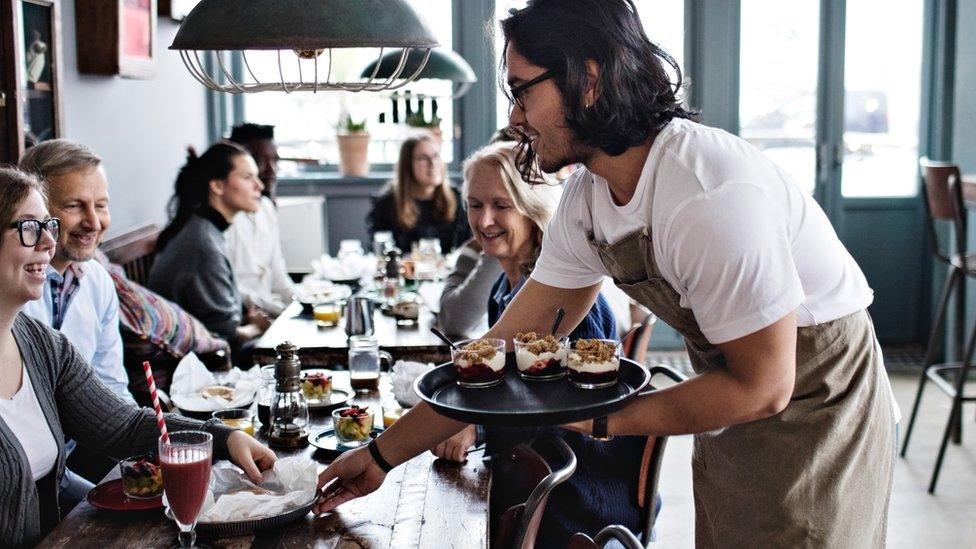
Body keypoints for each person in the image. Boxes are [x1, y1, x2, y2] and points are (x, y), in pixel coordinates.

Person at [314, 2, 897, 548]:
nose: (514, 118)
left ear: (588, 80)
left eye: (522, 93)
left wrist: (598, 420)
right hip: (730, 390)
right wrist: (381, 457)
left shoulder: (704, 193)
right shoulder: (589, 195)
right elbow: (500, 347)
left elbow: (764, 387)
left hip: (818, 402)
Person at [0, 168, 277, 547]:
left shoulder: (42, 344)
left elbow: (123, 426)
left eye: (48, 224)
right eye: (29, 227)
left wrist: (225, 440)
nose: (49, 241)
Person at [431, 141, 645, 546]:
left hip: (577, 495)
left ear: (531, 207)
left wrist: (473, 425)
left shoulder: (566, 298)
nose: (485, 220)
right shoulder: (502, 287)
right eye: (475, 205)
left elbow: (562, 413)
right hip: (529, 472)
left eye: (502, 205)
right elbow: (508, 389)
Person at [18, 140, 136, 510]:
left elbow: (112, 388)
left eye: (101, 205)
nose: (94, 222)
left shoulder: (98, 280)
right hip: (22, 473)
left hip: (64, 464)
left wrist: (138, 456)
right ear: (36, 215)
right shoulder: (13, 287)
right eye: (74, 206)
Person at [148, 143, 270, 364]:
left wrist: (246, 316)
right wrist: (256, 327)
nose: (259, 186)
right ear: (217, 186)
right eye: (247, 177)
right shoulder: (202, 243)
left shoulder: (204, 230)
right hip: (198, 366)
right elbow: (224, 338)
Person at [225, 123, 296, 316]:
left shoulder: (266, 208)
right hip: (243, 319)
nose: (271, 171)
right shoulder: (223, 220)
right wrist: (280, 312)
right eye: (261, 162)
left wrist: (304, 305)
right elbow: (229, 294)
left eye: (275, 161)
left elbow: (279, 278)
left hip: (270, 313)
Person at [367, 132, 470, 254]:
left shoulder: (458, 199)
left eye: (436, 156)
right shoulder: (387, 204)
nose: (433, 163)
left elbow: (469, 249)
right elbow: (380, 252)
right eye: (423, 158)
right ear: (407, 166)